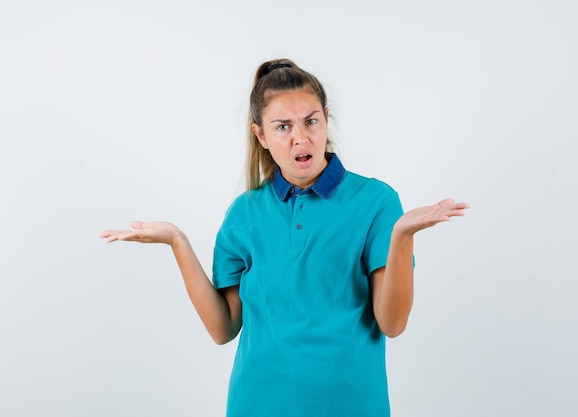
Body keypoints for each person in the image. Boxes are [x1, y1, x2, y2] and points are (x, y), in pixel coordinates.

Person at [100, 58, 469, 417]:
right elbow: (222, 328)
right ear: (260, 134)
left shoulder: (375, 202)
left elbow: (392, 324)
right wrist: (177, 241)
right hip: (257, 404)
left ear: (326, 118)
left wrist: (402, 236)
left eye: (311, 121)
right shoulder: (243, 213)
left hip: (350, 405)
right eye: (283, 127)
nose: (300, 138)